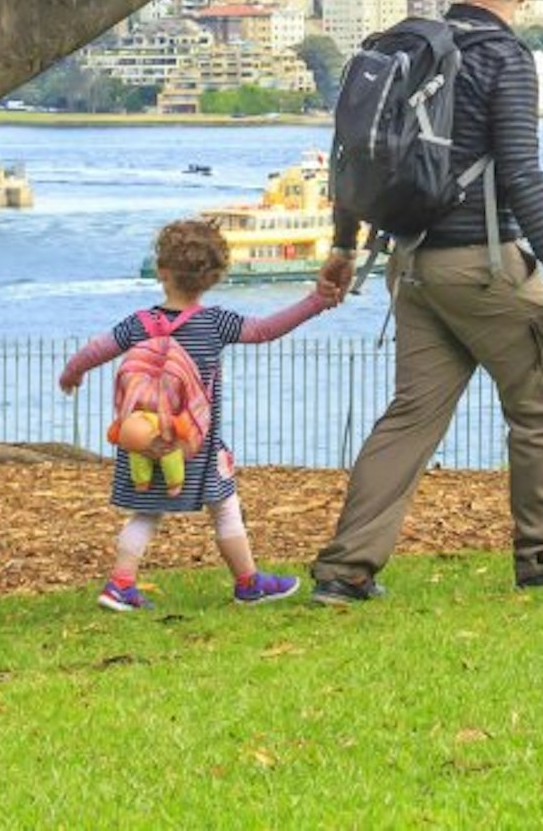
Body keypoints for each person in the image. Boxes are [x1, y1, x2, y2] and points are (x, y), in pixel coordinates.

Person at [305, 0, 543, 601]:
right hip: (481, 265)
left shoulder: (410, 48)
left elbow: (355, 153)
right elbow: (519, 170)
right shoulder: (506, 58)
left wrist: (343, 245)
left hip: (414, 266)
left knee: (411, 416)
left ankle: (345, 568)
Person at [56, 214, 338, 610]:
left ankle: (120, 584)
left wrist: (72, 374)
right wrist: (315, 302)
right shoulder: (214, 323)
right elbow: (266, 329)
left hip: (144, 440)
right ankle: (248, 582)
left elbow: (96, 351)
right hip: (194, 445)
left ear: (162, 271)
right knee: (225, 508)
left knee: (145, 514)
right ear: (214, 277)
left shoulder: (139, 323)